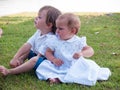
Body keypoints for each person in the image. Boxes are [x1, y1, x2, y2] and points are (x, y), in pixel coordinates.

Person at [35, 13, 111, 86]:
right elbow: (48, 52)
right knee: (44, 67)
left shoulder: (78, 41)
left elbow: (90, 50)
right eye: (57, 27)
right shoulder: (55, 40)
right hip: (58, 65)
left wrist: (82, 53)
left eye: (60, 29)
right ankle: (57, 78)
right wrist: (53, 59)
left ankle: (61, 79)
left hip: (74, 66)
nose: (57, 31)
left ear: (73, 31)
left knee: (88, 69)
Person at [0, 5, 61, 75]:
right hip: (36, 55)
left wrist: (29, 63)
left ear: (49, 24)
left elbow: (39, 56)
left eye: (39, 17)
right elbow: (28, 45)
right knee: (29, 50)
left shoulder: (51, 38)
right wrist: (15, 58)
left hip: (46, 62)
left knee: (34, 60)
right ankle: (20, 61)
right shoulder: (39, 32)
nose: (36, 18)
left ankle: (10, 71)